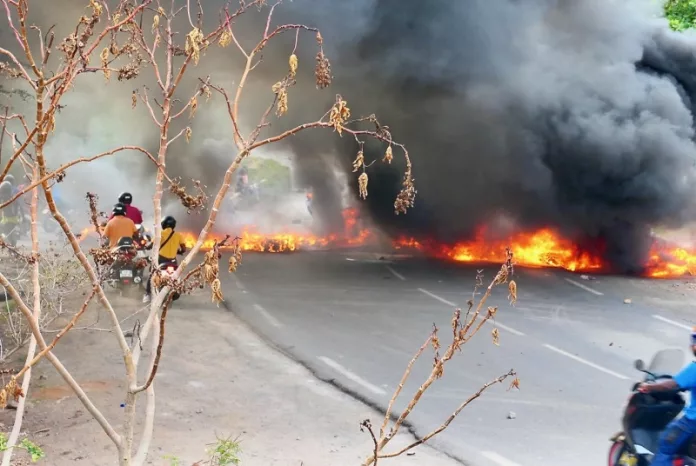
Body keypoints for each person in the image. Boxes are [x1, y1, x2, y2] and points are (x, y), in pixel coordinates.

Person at [637, 329, 696, 465]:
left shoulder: (694, 369)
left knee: (665, 447)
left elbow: (670, 385)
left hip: (692, 422)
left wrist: (648, 387)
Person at [142, 215, 187, 304]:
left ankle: (147, 294)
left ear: (164, 224)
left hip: (161, 260)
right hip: (172, 261)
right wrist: (179, 251)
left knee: (151, 274)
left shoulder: (160, 234)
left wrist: (147, 246)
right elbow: (184, 249)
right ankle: (176, 288)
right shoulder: (178, 235)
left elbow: (150, 245)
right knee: (176, 275)